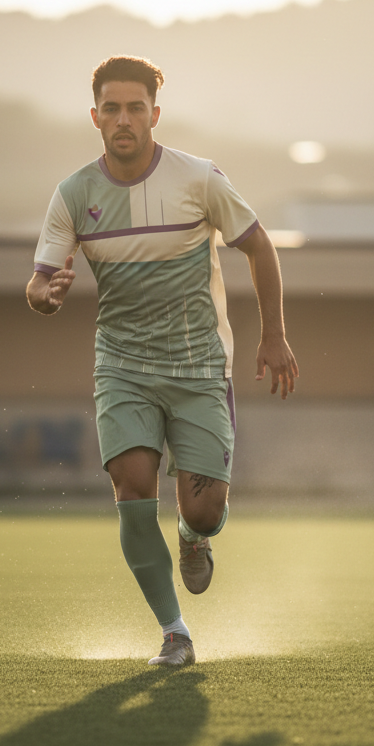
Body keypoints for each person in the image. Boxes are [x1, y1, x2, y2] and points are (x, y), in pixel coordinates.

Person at [27, 55, 298, 666]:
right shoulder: (73, 195)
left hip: (201, 366)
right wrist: (43, 296)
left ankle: (193, 536)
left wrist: (273, 335)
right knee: (134, 486)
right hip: (122, 367)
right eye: (113, 108)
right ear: (94, 116)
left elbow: (259, 246)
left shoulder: (199, 179)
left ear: (155, 113)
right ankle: (175, 632)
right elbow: (40, 281)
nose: (125, 118)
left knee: (204, 506)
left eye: (136, 107)